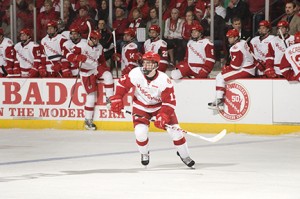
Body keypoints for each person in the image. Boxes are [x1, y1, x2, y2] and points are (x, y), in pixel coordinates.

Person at [109, 51, 195, 168]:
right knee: (140, 133)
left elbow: (170, 102)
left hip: (160, 107)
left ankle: (184, 155)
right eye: (144, 63)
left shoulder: (164, 80)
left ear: (156, 65)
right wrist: (118, 97)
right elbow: (122, 85)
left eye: (149, 63)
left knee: (176, 132)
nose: (145, 66)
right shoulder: (136, 73)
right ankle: (144, 153)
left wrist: (163, 115)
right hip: (140, 106)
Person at [65, 30, 114, 130]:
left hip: (95, 68)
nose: (97, 41)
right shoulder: (81, 45)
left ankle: (109, 99)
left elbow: (101, 60)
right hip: (85, 72)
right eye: (95, 39)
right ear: (90, 38)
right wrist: (77, 57)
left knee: (108, 75)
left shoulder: (99, 47)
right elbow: (68, 55)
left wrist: (105, 67)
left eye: (97, 39)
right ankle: (88, 120)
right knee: (91, 96)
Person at [208, 29, 255, 110]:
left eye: (231, 37)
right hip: (250, 67)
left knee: (220, 77)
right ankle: (219, 99)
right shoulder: (243, 42)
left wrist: (227, 68)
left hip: (245, 70)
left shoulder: (235, 48)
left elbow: (236, 66)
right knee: (222, 75)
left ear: (236, 38)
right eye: (228, 37)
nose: (229, 39)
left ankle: (219, 101)